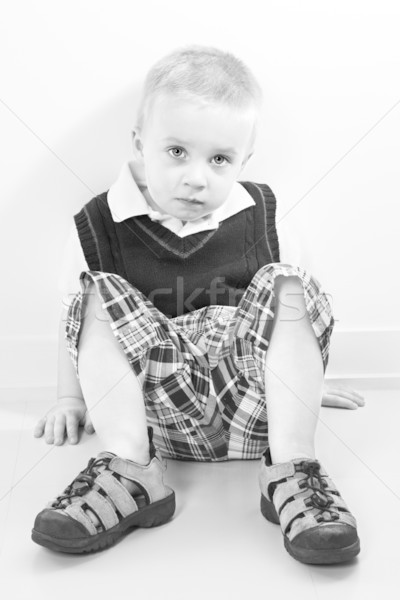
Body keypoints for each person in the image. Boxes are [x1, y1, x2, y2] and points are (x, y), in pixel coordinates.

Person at [32, 45, 364, 564]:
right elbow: (74, 324)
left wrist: (304, 385)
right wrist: (70, 398)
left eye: (219, 160)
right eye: (177, 152)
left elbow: (290, 325)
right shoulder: (100, 223)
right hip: (156, 418)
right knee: (95, 291)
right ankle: (129, 469)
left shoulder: (264, 215)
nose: (197, 177)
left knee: (288, 283)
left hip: (251, 413)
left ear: (243, 161)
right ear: (141, 144)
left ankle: (295, 467)